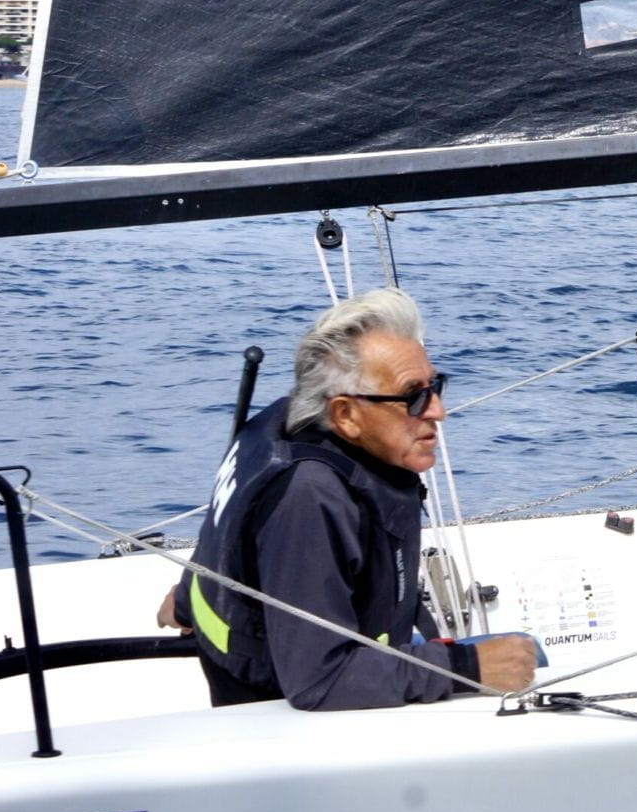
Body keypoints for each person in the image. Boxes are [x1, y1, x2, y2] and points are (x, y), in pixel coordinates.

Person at [164, 288, 539, 709]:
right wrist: (466, 667)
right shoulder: (310, 497)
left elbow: (230, 528)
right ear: (345, 414)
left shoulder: (282, 426)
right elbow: (319, 681)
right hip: (283, 716)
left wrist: (184, 600)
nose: (437, 411)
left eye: (435, 387)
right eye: (413, 396)